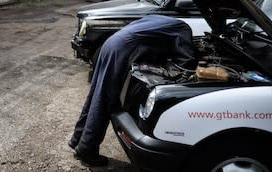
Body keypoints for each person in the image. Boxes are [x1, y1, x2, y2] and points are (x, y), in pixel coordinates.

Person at [68, 15, 195, 166]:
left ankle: (77, 139)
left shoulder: (164, 20)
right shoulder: (184, 29)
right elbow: (186, 62)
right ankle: (86, 150)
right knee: (104, 100)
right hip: (121, 50)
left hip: (110, 44)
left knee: (95, 94)